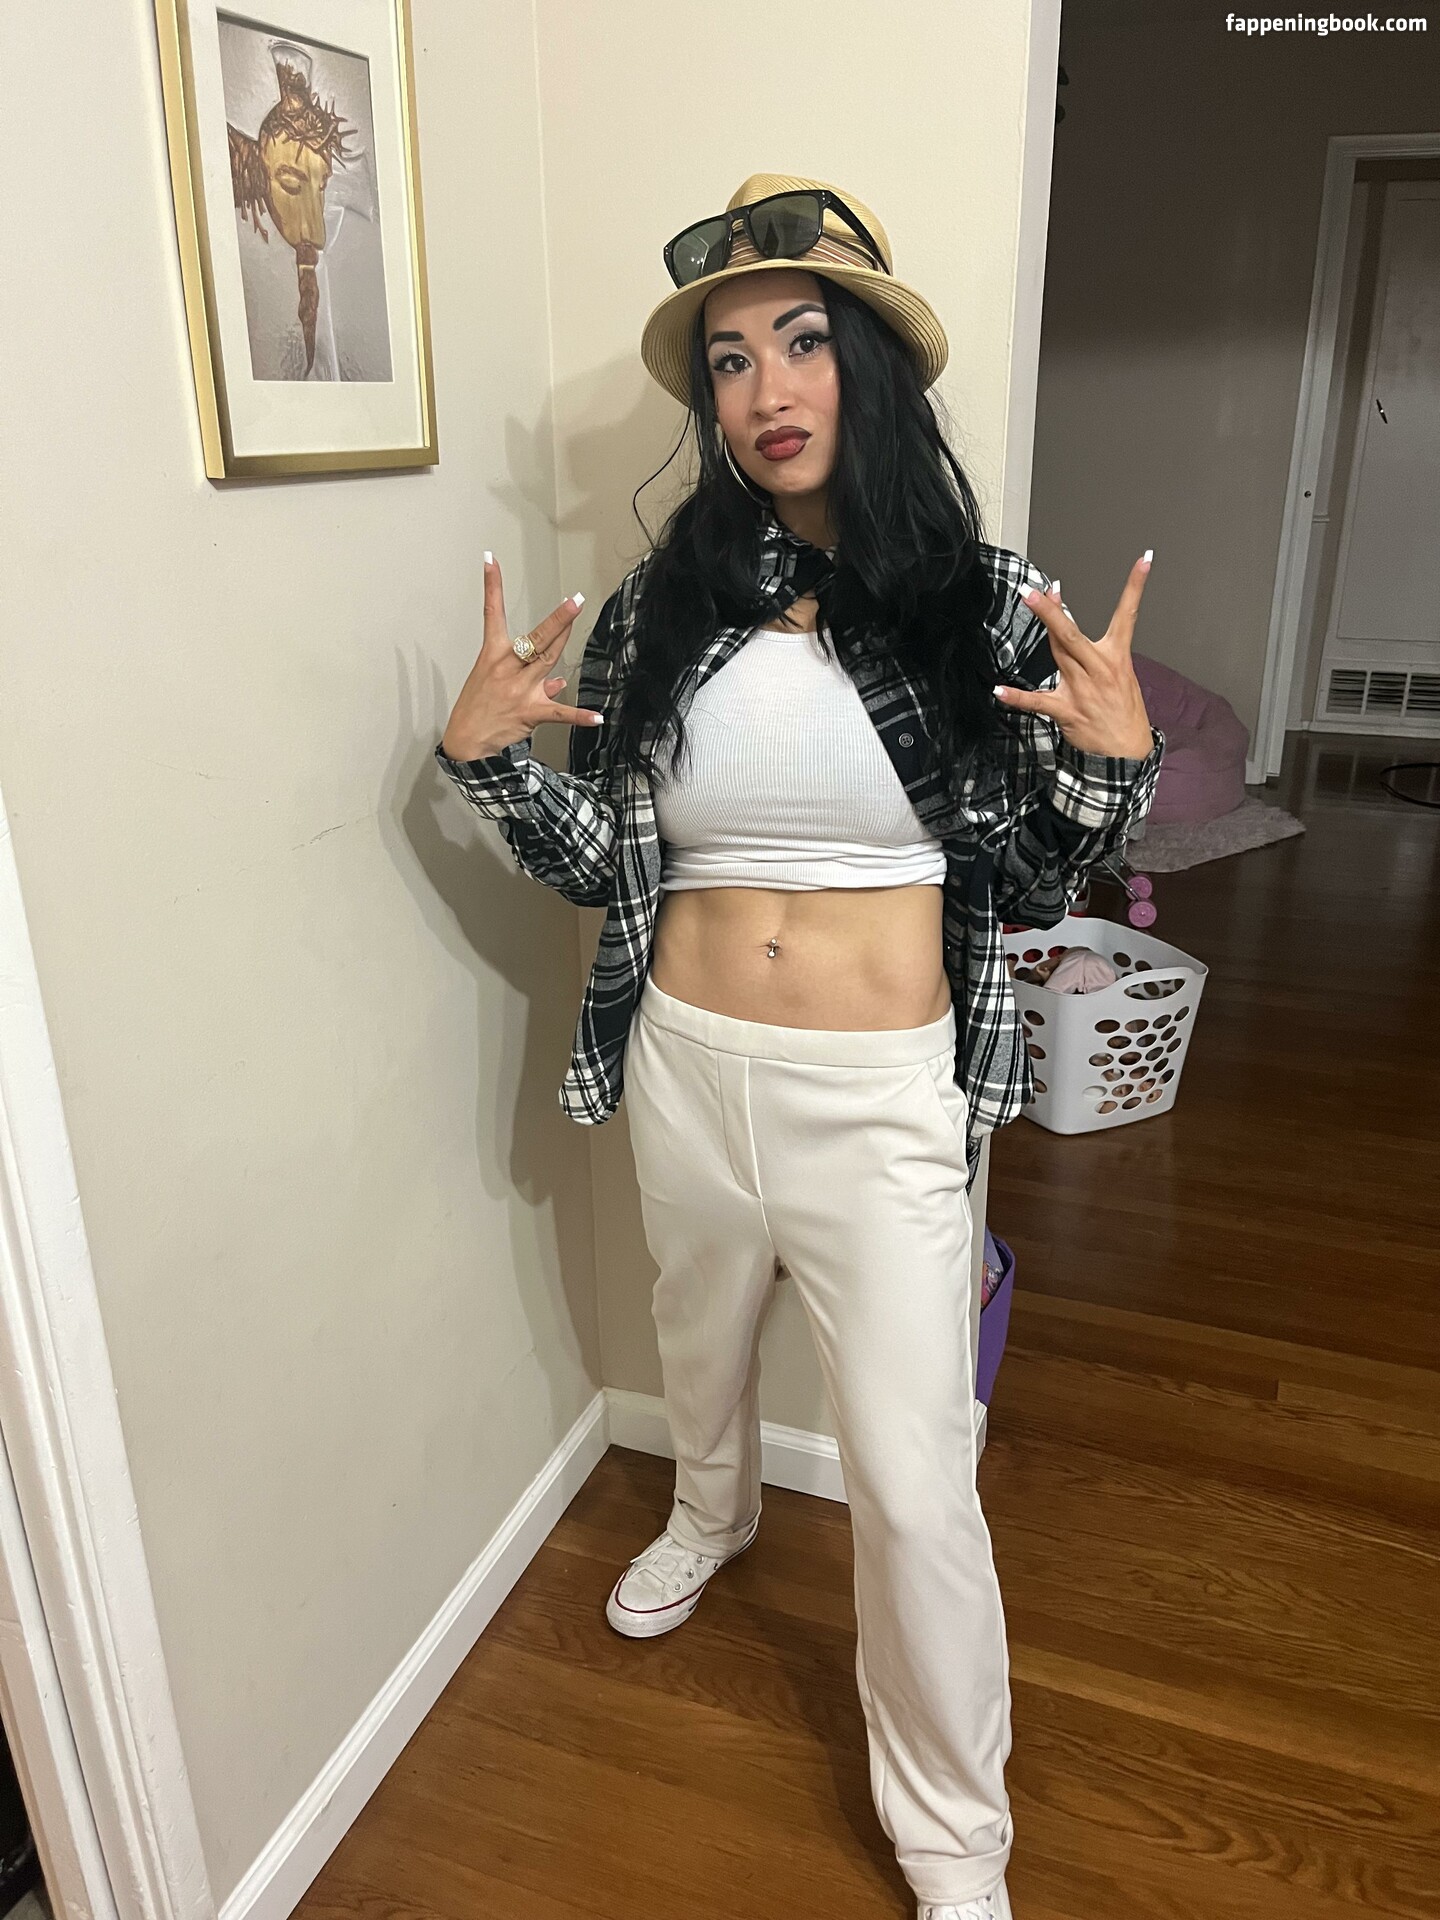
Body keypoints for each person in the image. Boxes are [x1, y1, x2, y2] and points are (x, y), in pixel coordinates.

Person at [435, 173, 1164, 1920]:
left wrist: (1113, 764)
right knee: (696, 1344)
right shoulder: (660, 606)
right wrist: (484, 763)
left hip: (880, 1094)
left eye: (806, 342)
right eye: (731, 359)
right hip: (687, 1061)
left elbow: (1035, 878)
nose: (765, 389)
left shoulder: (986, 602)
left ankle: (955, 1841)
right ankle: (714, 1513)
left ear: (872, 370)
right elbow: (605, 867)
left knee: (917, 1483)